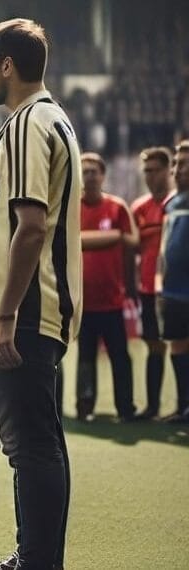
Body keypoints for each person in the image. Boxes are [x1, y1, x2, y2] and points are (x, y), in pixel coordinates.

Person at [0, 19, 82, 569]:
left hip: (26, 312)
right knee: (41, 444)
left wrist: (5, 314)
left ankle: (37, 561)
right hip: (42, 309)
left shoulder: (29, 123)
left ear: (7, 66)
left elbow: (30, 225)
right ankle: (33, 554)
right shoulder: (55, 119)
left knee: (30, 448)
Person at [76, 152, 139, 422]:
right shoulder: (70, 208)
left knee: (120, 357)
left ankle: (125, 408)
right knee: (85, 358)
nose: (90, 176)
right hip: (82, 301)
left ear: (103, 175)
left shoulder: (117, 207)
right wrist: (109, 237)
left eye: (94, 171)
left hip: (112, 299)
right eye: (85, 171)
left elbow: (132, 243)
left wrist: (130, 287)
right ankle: (84, 407)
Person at [131, 147, 175, 419]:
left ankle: (183, 405)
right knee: (153, 345)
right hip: (148, 289)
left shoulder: (178, 204)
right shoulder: (139, 208)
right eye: (146, 171)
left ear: (168, 171)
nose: (149, 176)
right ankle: (153, 407)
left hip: (177, 289)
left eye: (155, 170)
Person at [158, 140, 189, 423]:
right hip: (174, 291)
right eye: (178, 163)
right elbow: (165, 247)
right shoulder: (172, 203)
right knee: (177, 346)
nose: (180, 169)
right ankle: (183, 407)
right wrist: (160, 281)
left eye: (185, 163)